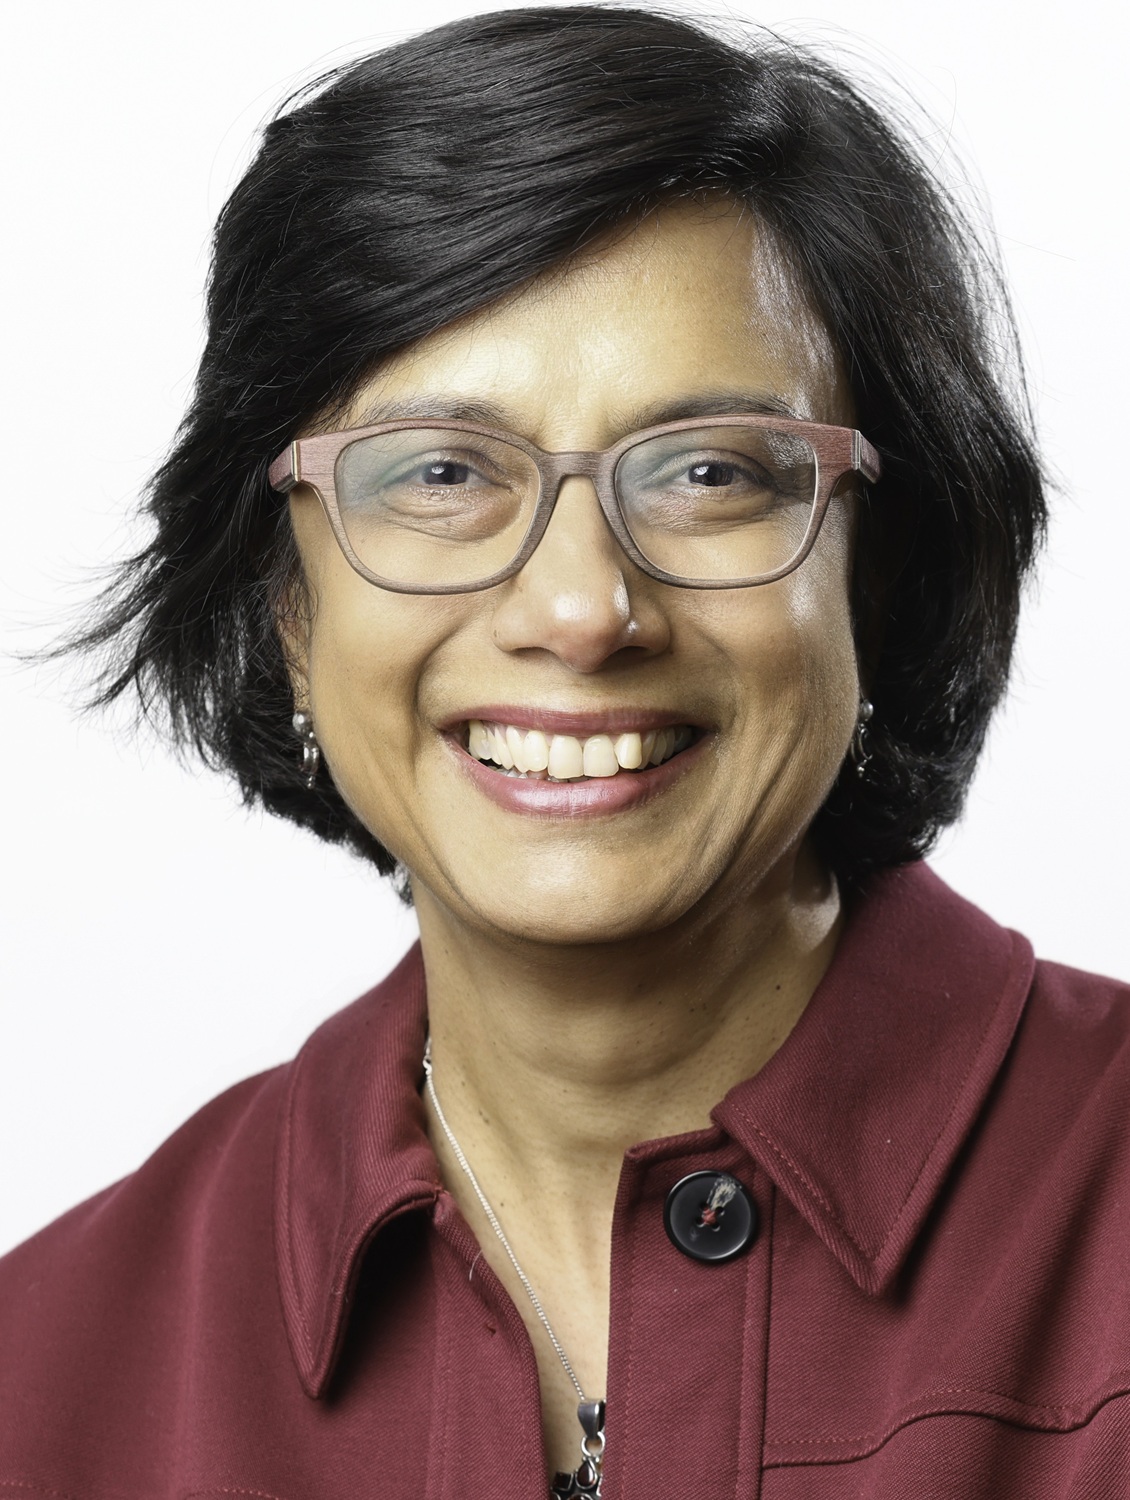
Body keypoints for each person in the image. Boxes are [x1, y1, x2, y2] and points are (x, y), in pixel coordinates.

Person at [1, 6, 1127, 1497]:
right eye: (442, 472)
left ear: (880, 573)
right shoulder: (46, 1375)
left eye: (714, 471)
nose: (581, 609)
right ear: (279, 601)